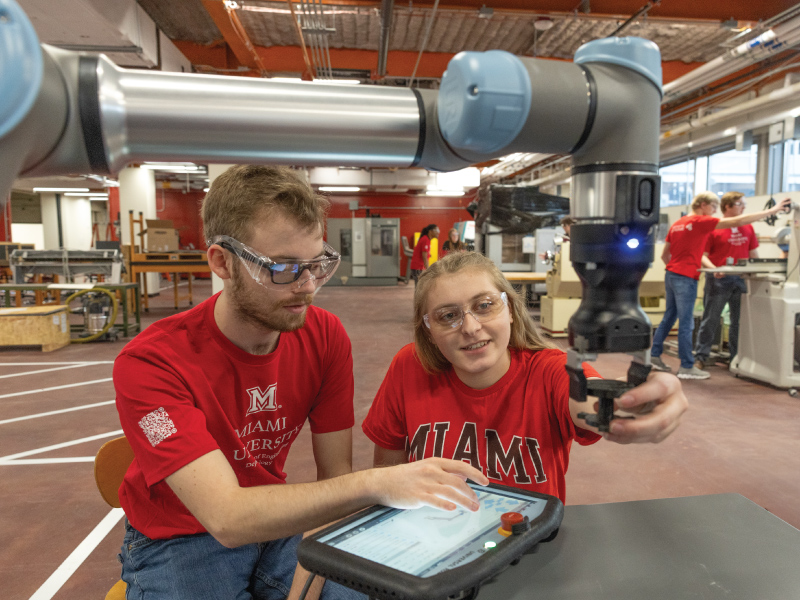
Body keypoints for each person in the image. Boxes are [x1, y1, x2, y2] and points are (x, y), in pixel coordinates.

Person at [113, 166, 488, 600]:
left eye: (316, 264)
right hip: (179, 537)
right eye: (285, 268)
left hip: (279, 524)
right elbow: (227, 517)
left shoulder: (324, 336)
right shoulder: (152, 362)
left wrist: (313, 578)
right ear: (222, 262)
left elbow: (334, 478)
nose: (308, 287)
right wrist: (380, 482)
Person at [362, 251, 688, 503]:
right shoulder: (410, 366)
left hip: (526, 544)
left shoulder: (550, 370)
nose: (471, 327)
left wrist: (640, 401)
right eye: (448, 316)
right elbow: (388, 475)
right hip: (432, 537)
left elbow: (588, 401)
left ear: (512, 310)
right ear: (429, 331)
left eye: (485, 305)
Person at [650, 191, 790, 380]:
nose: (714, 211)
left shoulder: (678, 223)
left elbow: (665, 255)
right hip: (686, 277)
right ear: (703, 205)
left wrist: (677, 268)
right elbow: (736, 222)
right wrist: (772, 210)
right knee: (686, 323)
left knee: (669, 317)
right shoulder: (700, 222)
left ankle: (654, 356)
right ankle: (687, 366)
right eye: (713, 207)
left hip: (673, 274)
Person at [693, 192, 759, 370]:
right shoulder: (713, 227)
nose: (743, 207)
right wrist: (715, 270)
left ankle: (736, 358)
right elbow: (702, 255)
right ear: (727, 206)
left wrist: (757, 273)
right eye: (739, 204)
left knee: (739, 322)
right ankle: (701, 357)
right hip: (719, 279)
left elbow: (753, 255)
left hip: (741, 279)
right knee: (711, 319)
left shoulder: (749, 228)